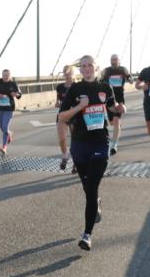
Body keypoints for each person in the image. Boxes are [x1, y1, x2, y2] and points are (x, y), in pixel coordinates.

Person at [58, 55, 125, 251]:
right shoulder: (75, 90)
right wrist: (79, 106)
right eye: (84, 66)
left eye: (90, 66)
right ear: (81, 70)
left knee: (92, 188)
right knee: (88, 188)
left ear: (96, 68)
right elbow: (62, 116)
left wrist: (120, 108)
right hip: (79, 144)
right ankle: (96, 203)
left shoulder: (105, 88)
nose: (87, 69)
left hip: (100, 143)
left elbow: (112, 107)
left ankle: (87, 235)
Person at [99, 54, 131, 155]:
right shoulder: (106, 70)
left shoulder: (123, 69)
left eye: (115, 60)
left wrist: (130, 79)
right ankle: (118, 126)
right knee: (112, 123)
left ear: (119, 61)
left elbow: (129, 78)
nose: (113, 62)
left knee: (116, 121)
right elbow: (100, 80)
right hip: (109, 100)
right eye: (112, 60)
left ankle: (114, 145)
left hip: (120, 100)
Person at [0, 69, 22, 154]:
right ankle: (9, 134)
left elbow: (19, 95)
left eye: (7, 75)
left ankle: (4, 147)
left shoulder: (13, 84)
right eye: (4, 75)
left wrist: (16, 94)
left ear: (10, 75)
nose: (5, 77)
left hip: (9, 108)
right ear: (2, 75)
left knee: (5, 126)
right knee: (2, 128)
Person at [55, 66, 76, 171]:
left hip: (74, 116)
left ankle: (76, 162)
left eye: (69, 73)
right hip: (62, 115)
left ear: (73, 74)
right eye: (65, 73)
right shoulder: (60, 87)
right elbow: (58, 100)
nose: (67, 75)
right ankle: (64, 157)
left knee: (75, 140)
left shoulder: (77, 86)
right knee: (62, 139)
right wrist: (57, 103)